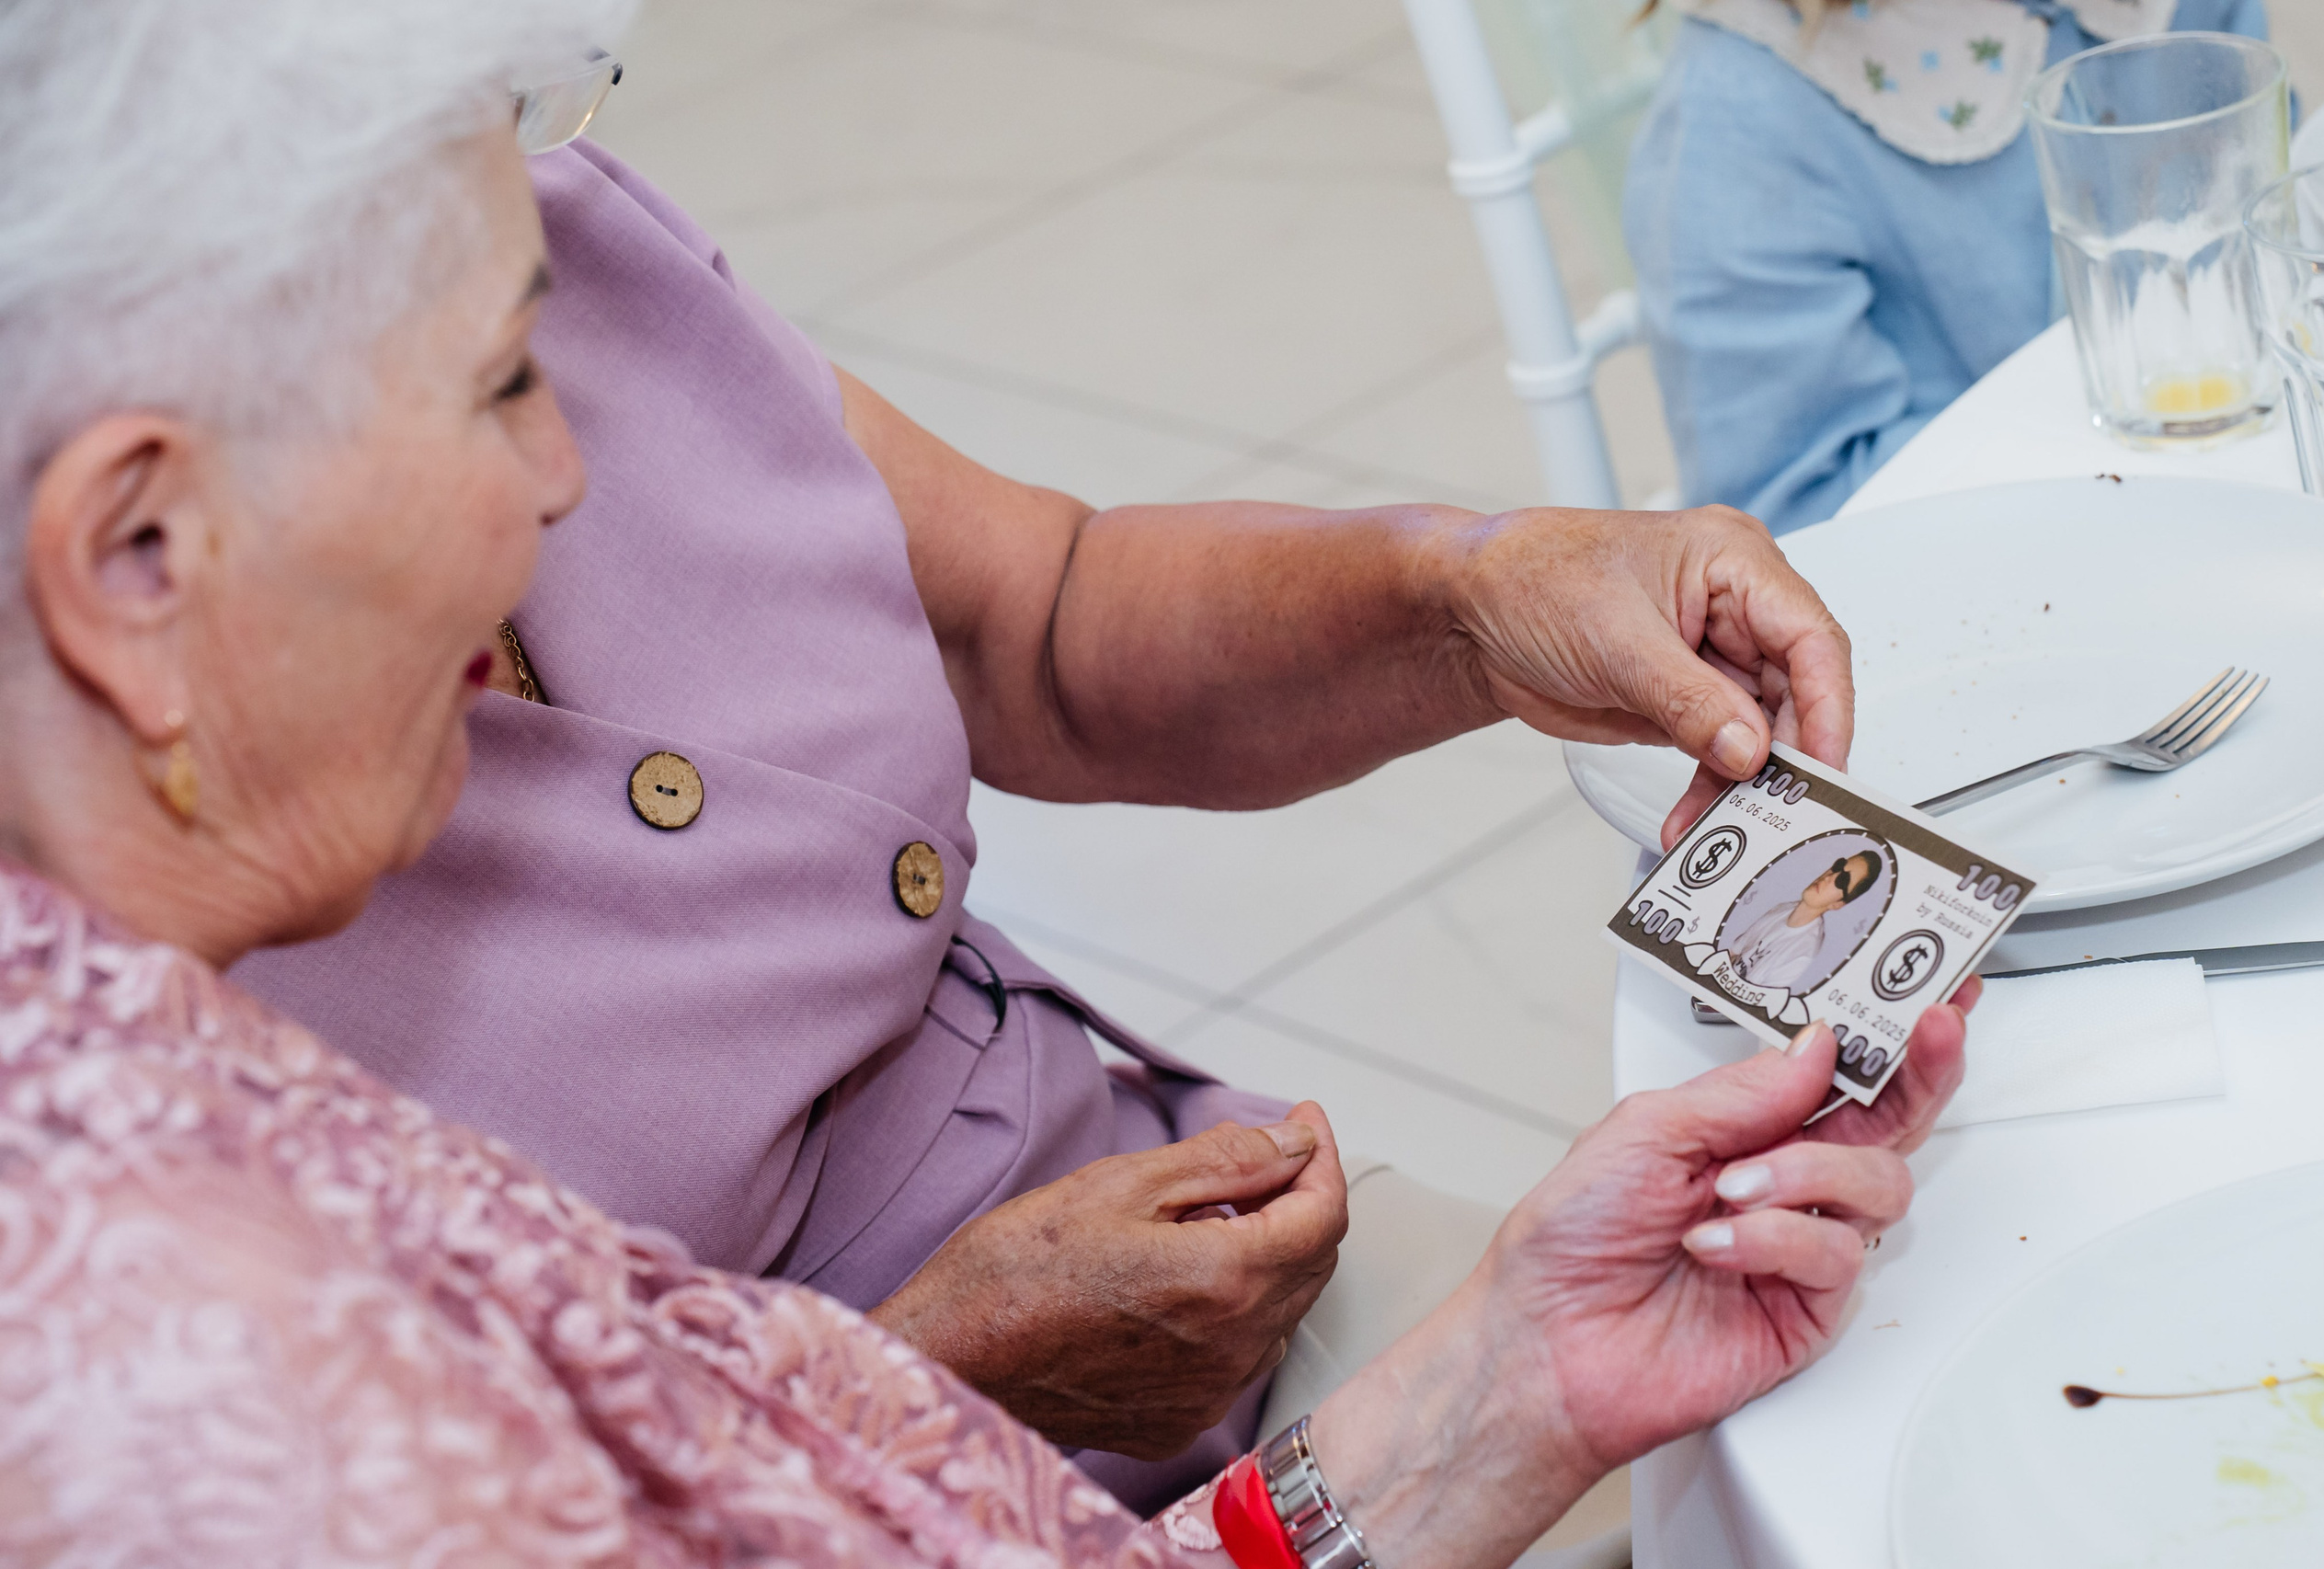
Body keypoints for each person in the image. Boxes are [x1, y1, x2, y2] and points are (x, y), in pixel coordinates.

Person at [0, 1, 1982, 1559]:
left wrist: (1474, 590)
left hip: (1204, 1323)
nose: (568, 471)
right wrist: (934, 1373)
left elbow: (1026, 615)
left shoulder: (465, 205)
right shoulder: (199, 1340)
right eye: (503, 386)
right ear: (140, 556)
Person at [1627, 0, 2272, 532]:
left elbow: (2270, 220)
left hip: (2242, 474)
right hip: (2002, 565)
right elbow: (1797, 520)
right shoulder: (1736, 128)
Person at [1725, 849, 1882, 989]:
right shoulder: (1783, 908)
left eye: (1843, 880)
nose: (1830, 877)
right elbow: (1733, 952)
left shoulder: (1803, 955)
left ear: (1838, 904)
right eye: (1838, 866)